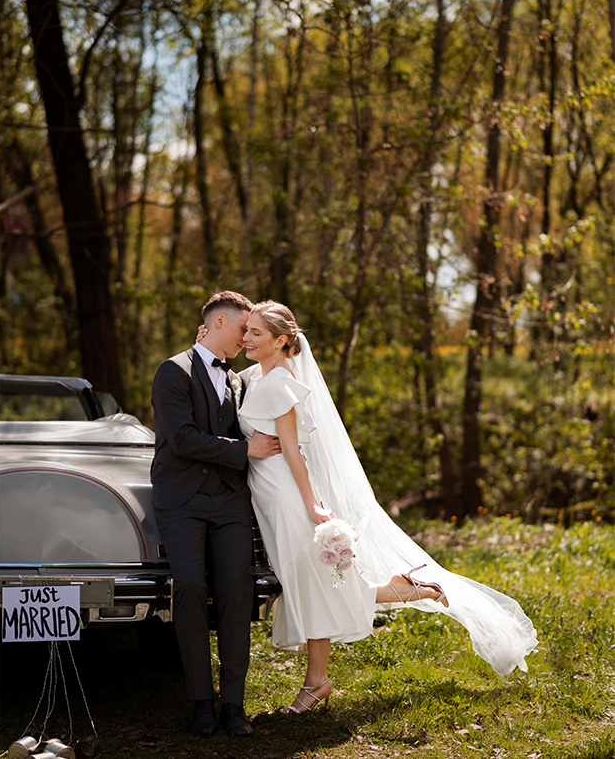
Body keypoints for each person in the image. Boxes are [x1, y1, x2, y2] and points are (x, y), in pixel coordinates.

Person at [201, 300, 538, 714]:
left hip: (286, 498)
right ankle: (398, 592)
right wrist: (207, 340)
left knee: (314, 587)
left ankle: (318, 681)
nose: (246, 338)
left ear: (282, 340)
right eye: (246, 330)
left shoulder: (278, 385)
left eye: (255, 332)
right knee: (314, 585)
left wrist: (312, 506)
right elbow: (229, 377)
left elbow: (293, 451)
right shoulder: (262, 375)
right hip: (268, 497)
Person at [151, 291, 282, 738]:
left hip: (229, 502)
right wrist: (245, 450)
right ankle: (201, 704)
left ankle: (233, 706)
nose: (247, 337)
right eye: (244, 328)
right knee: (189, 588)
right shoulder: (173, 370)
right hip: (181, 501)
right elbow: (183, 438)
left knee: (236, 593)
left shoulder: (238, 380)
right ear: (219, 322)